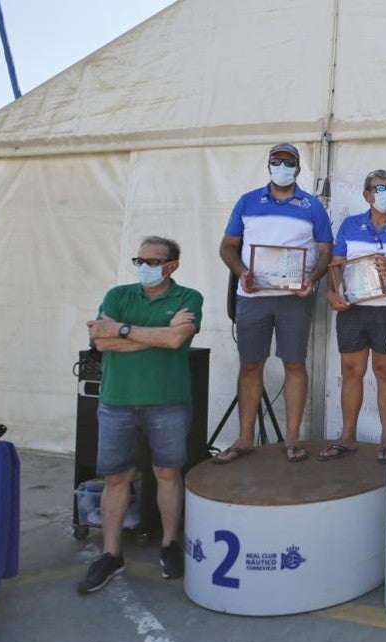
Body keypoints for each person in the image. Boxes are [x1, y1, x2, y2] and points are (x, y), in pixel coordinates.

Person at [79, 236, 203, 593]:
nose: (144, 267)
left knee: (167, 472)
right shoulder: (117, 295)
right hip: (117, 400)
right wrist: (158, 334)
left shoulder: (188, 298)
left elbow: (175, 341)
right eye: (140, 260)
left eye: (153, 261)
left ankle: (169, 544)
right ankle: (111, 554)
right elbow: (100, 343)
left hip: (168, 400)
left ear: (172, 266)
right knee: (116, 478)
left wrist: (122, 331)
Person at [216, 143, 333, 463]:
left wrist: (313, 277)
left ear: (298, 168)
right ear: (268, 165)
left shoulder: (312, 206)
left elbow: (326, 251)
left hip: (294, 299)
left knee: (294, 364)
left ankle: (292, 439)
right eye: (276, 161)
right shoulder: (248, 201)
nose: (282, 167)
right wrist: (242, 272)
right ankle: (244, 439)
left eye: (289, 162)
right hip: (252, 297)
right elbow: (227, 247)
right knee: (250, 365)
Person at [321, 170, 386, 463]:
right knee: (351, 372)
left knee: (384, 371)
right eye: (380, 188)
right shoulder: (350, 225)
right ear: (367, 194)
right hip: (354, 308)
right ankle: (347, 437)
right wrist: (331, 294)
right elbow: (336, 265)